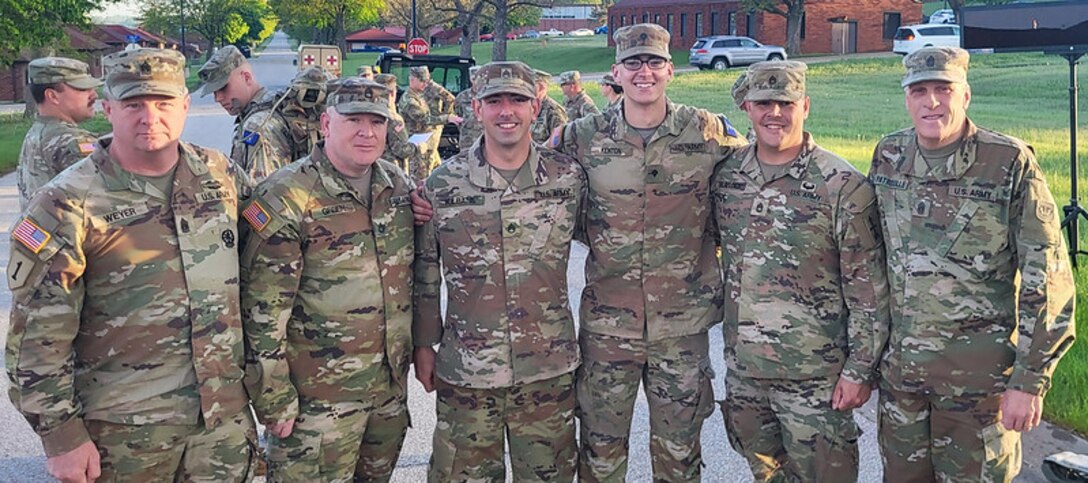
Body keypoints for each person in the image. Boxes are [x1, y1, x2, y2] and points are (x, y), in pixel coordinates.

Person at [7, 47, 255, 483]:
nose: (149, 117)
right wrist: (61, 436)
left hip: (221, 424)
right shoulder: (67, 202)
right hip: (122, 434)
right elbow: (37, 338)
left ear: (183, 105)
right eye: (133, 104)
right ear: (108, 109)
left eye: (162, 103)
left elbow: (280, 240)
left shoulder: (219, 175)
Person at [549, 23, 748, 482]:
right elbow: (530, 180)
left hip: (682, 327)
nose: (644, 72)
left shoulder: (707, 132)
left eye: (654, 62)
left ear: (670, 70)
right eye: (633, 63)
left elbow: (754, 175)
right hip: (607, 326)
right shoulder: (581, 136)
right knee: (600, 451)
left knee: (679, 453)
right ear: (616, 71)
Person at [870, 46, 1077, 483]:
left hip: (978, 389)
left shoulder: (1008, 163)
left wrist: (1028, 380)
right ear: (906, 98)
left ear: (965, 95)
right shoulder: (889, 154)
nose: (931, 102)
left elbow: (1049, 278)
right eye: (920, 91)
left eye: (943, 89)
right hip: (902, 383)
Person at [713, 60, 890, 482]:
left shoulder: (841, 185)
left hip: (816, 380)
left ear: (805, 106)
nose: (775, 113)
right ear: (747, 109)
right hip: (746, 375)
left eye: (785, 103)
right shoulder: (727, 178)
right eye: (764, 103)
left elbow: (869, 289)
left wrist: (859, 370)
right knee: (766, 475)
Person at [413, 60, 585, 483]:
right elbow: (425, 273)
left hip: (547, 369)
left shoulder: (568, 180)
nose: (506, 111)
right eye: (494, 101)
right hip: (468, 373)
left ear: (535, 106)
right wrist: (422, 344)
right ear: (476, 108)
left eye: (518, 100)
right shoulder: (443, 185)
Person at [240, 78, 415, 482]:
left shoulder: (397, 187)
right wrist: (274, 398)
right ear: (325, 123)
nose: (367, 132)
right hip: (314, 406)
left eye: (378, 121)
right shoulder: (287, 195)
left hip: (386, 397)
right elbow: (262, 311)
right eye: (353, 119)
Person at [17, 57, 102, 210]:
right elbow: (110, 201)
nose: (94, 95)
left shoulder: (38, 132)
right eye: (82, 89)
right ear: (52, 96)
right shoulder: (72, 141)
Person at [198, 45, 292, 180]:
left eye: (223, 88)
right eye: (214, 91)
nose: (218, 98)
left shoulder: (258, 125)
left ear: (246, 78)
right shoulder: (267, 107)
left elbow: (261, 191)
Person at [398, 66, 462, 179]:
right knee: (420, 179)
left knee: (436, 172)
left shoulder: (419, 96)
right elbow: (425, 119)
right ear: (412, 80)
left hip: (425, 144)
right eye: (422, 80)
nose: (425, 84)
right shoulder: (409, 100)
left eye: (427, 81)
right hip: (415, 147)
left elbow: (449, 99)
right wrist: (447, 118)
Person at [375, 72, 422, 176]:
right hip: (392, 171)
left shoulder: (370, 113)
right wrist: (416, 145)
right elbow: (401, 150)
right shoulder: (393, 119)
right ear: (392, 93)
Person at [529, 70, 568, 144]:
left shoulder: (554, 111)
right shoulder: (529, 106)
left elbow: (559, 141)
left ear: (541, 88)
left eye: (531, 86)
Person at [454, 65, 484, 149]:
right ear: (471, 79)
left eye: (478, 79)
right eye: (473, 79)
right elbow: (458, 116)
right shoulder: (462, 97)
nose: (476, 82)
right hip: (468, 140)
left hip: (487, 139)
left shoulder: (489, 96)